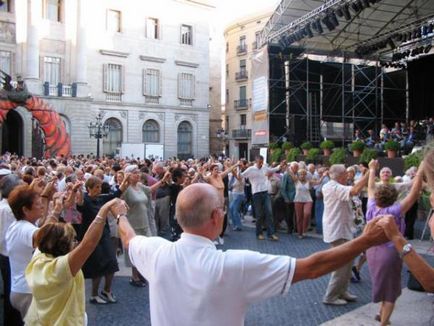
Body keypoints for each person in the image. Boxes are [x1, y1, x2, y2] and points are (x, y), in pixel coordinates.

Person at [116, 183, 389, 326]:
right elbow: (312, 267)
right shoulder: (233, 265)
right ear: (215, 217)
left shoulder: (156, 251)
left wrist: (119, 214)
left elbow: (129, 239)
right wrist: (365, 240)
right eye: (222, 208)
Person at [24, 198, 127, 326]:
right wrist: (104, 210)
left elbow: (45, 233)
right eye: (73, 240)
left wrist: (56, 210)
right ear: (62, 246)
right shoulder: (58, 269)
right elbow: (88, 244)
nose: (76, 243)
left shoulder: (39, 257)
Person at [365, 160, 424, 326]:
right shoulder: (395, 210)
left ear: (377, 196)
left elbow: (370, 188)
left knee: (382, 281)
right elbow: (414, 193)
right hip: (389, 252)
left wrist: (372, 169)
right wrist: (421, 170)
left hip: (372, 251)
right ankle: (384, 322)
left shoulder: (371, 206)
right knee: (391, 289)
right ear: (394, 197)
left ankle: (381, 313)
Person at [322, 163, 370, 305]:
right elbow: (355, 190)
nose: (348, 175)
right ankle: (330, 296)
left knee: (348, 263)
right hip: (337, 230)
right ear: (340, 175)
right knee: (341, 265)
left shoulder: (335, 186)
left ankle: (342, 291)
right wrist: (369, 173)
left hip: (343, 229)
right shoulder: (332, 186)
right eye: (346, 173)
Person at [0, 175, 24, 326]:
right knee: (12, 290)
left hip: (6, 254)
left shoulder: (5, 207)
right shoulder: (8, 210)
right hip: (8, 255)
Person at [241, 156, 282, 240]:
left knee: (269, 213)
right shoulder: (251, 169)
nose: (261, 163)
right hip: (256, 193)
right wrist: (238, 168)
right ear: (256, 161)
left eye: (262, 162)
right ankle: (259, 233)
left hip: (265, 192)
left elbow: (272, 170)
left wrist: (279, 166)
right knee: (259, 214)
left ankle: (271, 234)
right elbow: (241, 175)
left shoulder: (264, 167)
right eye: (259, 162)